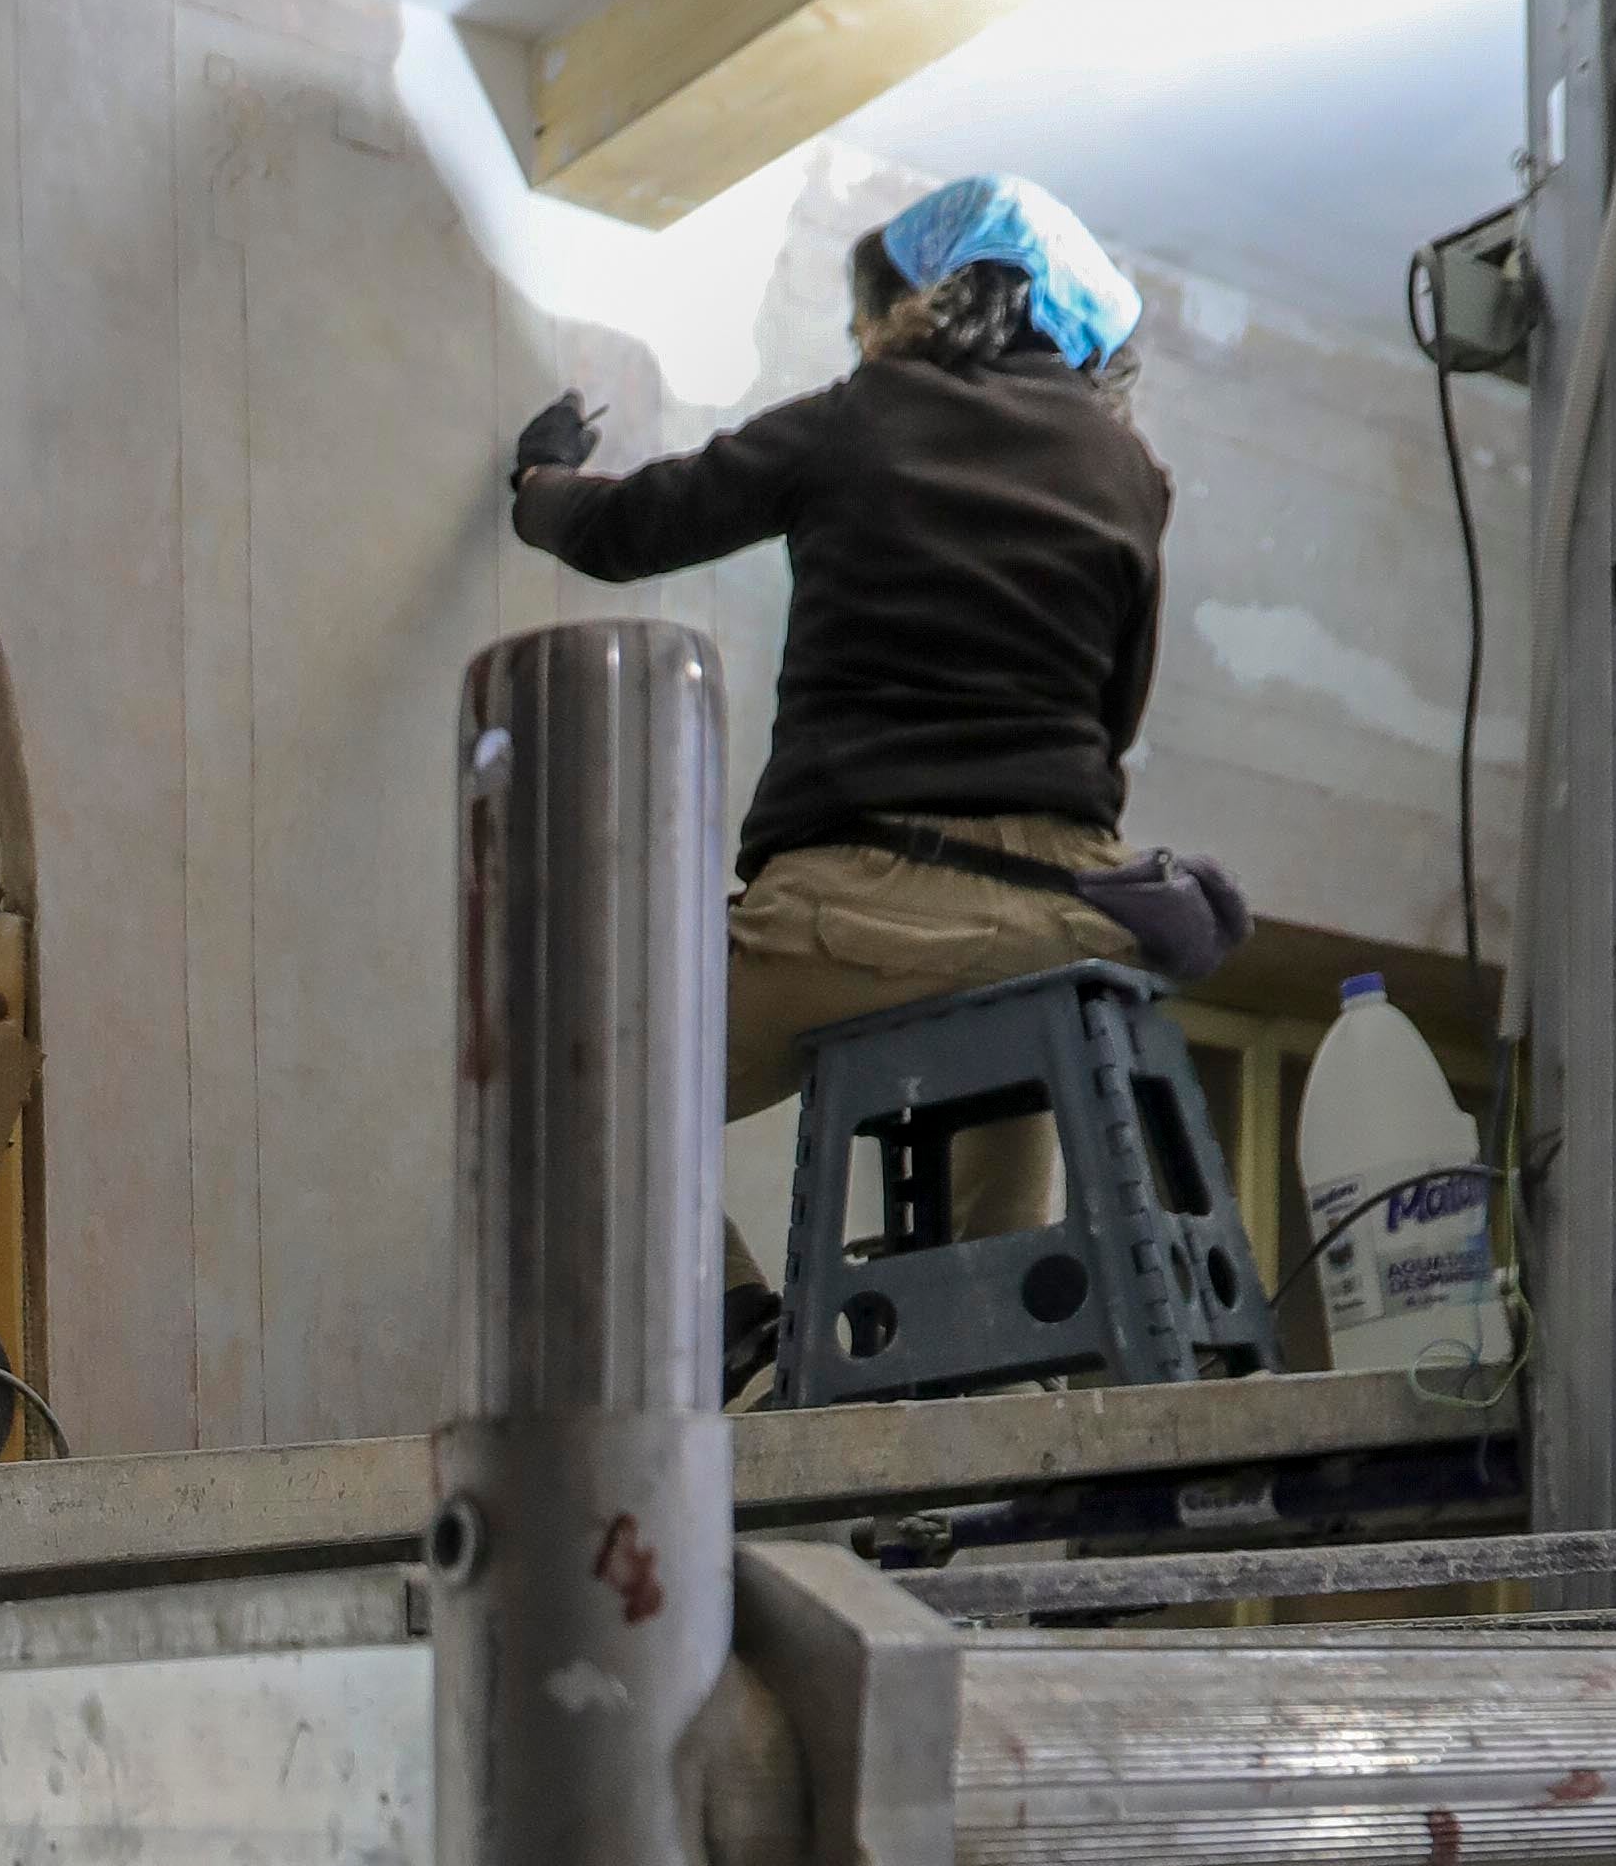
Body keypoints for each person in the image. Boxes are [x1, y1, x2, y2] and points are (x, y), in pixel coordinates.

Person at [504, 170, 1230, 1256]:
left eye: (866, 314)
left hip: (857, 911)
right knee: (996, 1274)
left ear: (923, 300)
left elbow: (628, 533)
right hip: (1056, 927)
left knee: (572, 1105)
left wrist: (538, 478)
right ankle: (999, 1403)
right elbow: (1111, 716)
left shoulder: (858, 417)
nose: (859, 339)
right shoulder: (1130, 471)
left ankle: (737, 1315)